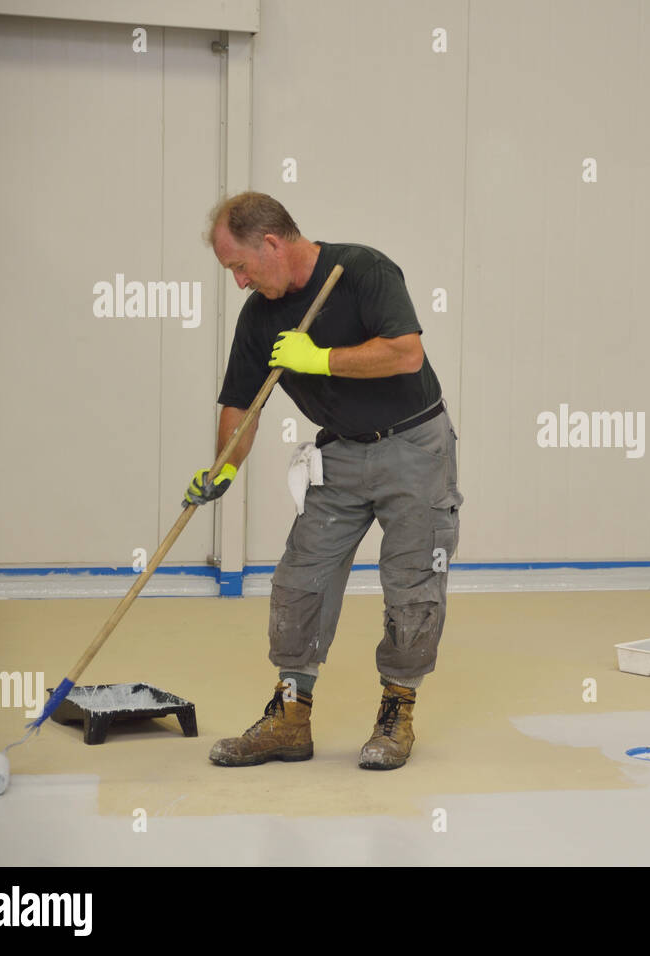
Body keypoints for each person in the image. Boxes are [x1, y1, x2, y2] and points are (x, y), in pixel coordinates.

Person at [184, 191, 462, 769]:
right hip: (338, 455)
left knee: (412, 583)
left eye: (239, 266)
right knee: (299, 580)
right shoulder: (260, 316)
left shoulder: (362, 270)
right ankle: (290, 716)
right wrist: (225, 466)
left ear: (271, 243)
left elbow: (406, 354)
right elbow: (242, 401)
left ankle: (396, 713)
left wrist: (322, 359)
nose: (238, 282)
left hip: (414, 446)